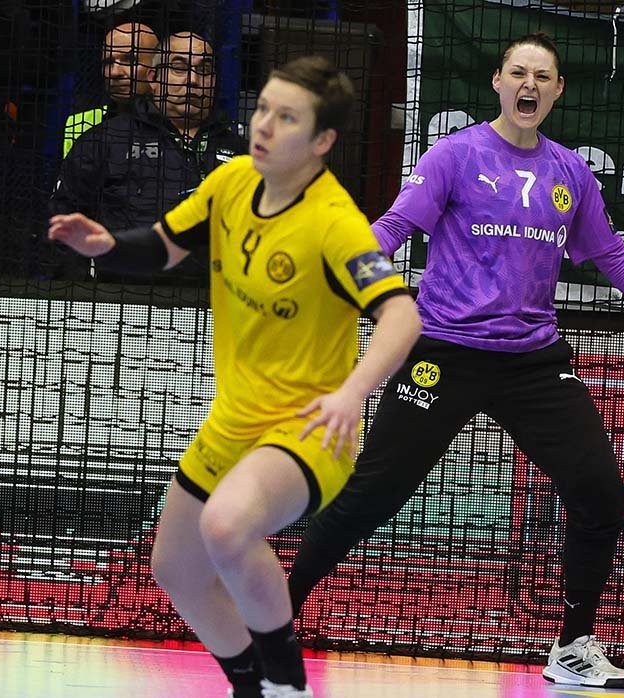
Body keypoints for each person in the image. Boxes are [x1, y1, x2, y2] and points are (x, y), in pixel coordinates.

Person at [286, 32, 624, 689]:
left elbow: (614, 258)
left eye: (542, 76)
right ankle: (273, 615)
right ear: (498, 81)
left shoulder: (570, 173)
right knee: (371, 497)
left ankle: (573, 647)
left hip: (532, 362)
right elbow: (393, 228)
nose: (529, 84)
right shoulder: (456, 154)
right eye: (518, 72)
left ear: (557, 90)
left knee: (600, 492)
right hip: (443, 352)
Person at [49, 56, 422, 698]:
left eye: (287, 117)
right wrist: (107, 246)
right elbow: (165, 244)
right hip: (233, 422)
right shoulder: (231, 182)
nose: (265, 125)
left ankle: (287, 685)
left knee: (227, 526)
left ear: (323, 141)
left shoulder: (333, 223)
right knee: (176, 570)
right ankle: (248, 686)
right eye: (263, 109)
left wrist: (351, 393)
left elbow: (401, 314)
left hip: (308, 430)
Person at [50, 32, 247, 284]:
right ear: (153, 78)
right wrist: (80, 294)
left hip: (212, 298)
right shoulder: (107, 139)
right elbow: (62, 221)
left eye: (204, 70)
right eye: (179, 68)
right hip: (121, 296)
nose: (193, 80)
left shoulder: (239, 150)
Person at [63, 22, 159, 157]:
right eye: (108, 63)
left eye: (130, 60)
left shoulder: (177, 122)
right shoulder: (79, 124)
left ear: (156, 68)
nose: (114, 72)